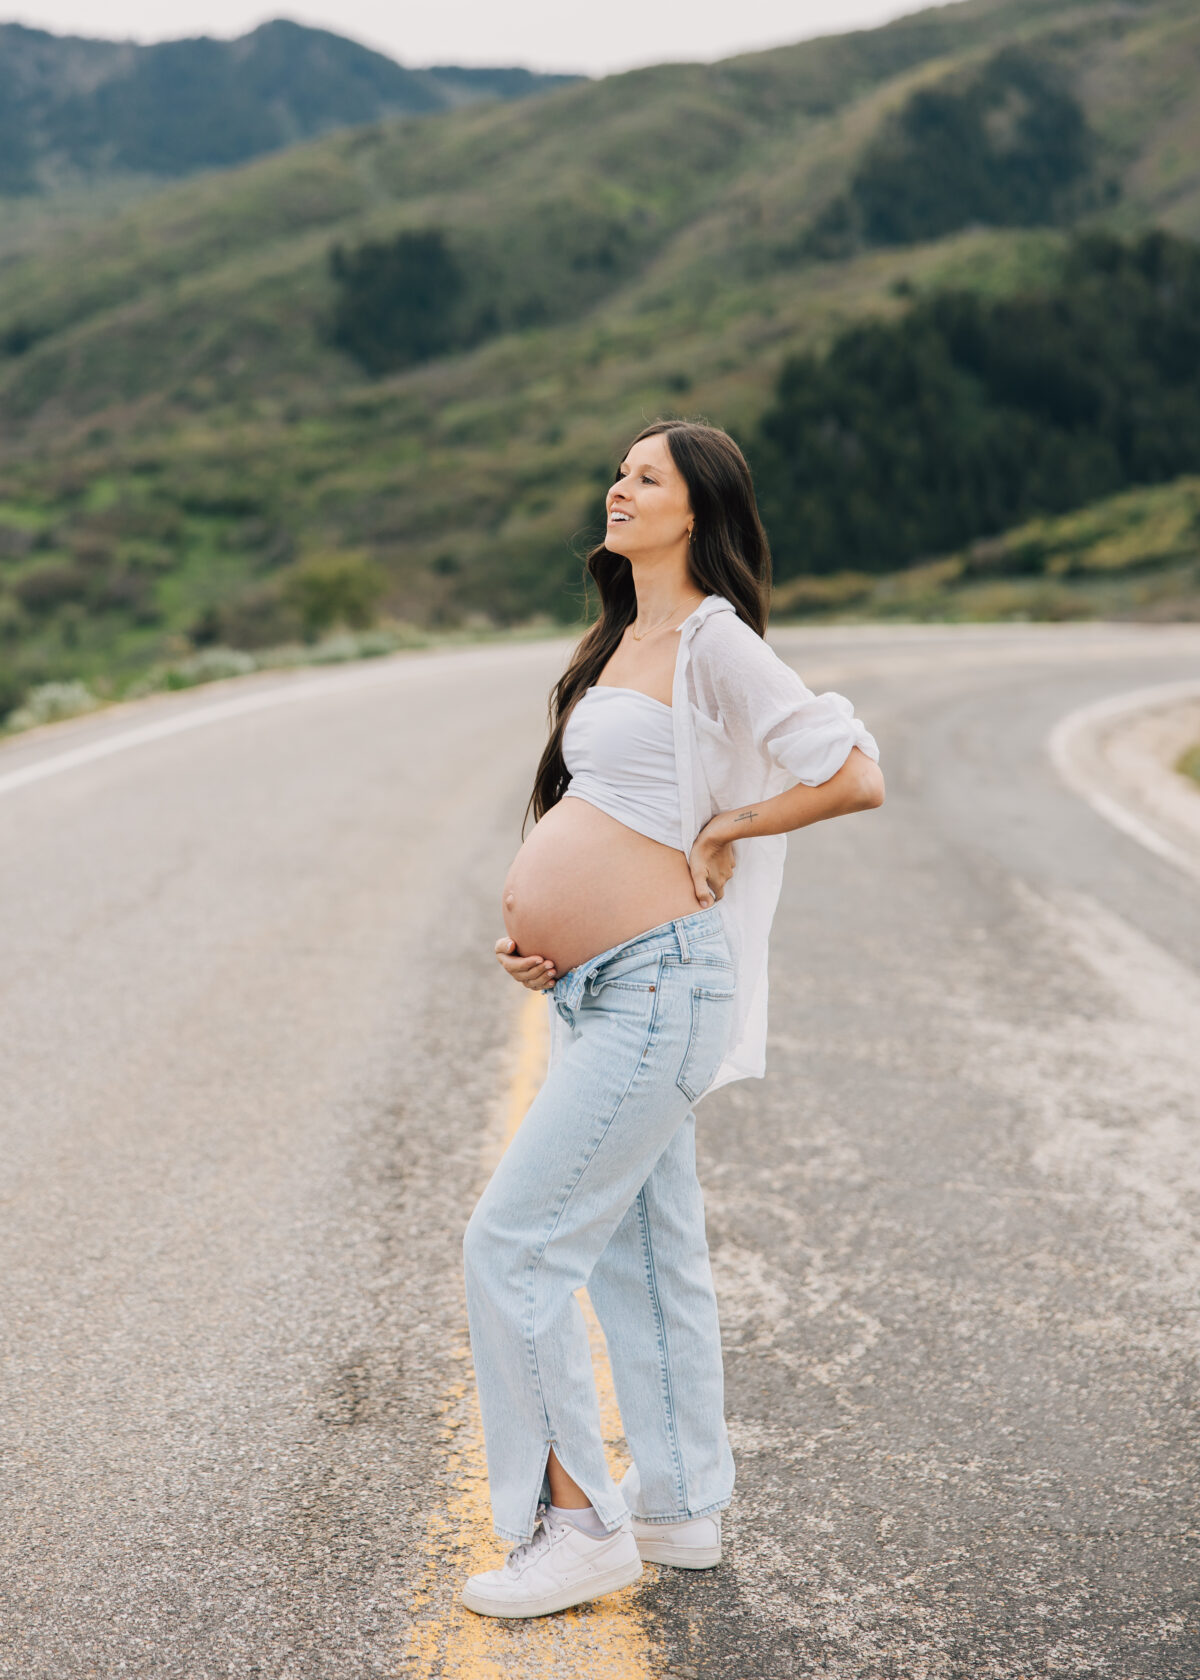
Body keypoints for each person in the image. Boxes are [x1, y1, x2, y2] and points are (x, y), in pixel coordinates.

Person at [460, 419, 883, 1618]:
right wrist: (542, 928)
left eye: (646, 477)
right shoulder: (623, 640)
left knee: (516, 1244)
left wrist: (728, 833)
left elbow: (855, 769)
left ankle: (578, 1524)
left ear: (698, 508)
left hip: (662, 986)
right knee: (646, 1256)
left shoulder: (713, 640)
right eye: (618, 471)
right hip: (600, 988)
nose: (618, 487)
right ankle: (681, 1506)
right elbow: (609, 803)